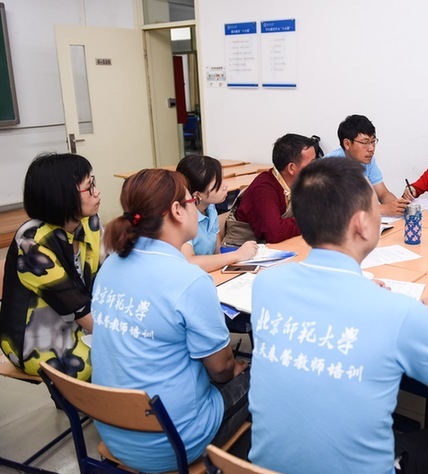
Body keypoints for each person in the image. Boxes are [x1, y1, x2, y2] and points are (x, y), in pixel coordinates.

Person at [249, 158, 428, 474]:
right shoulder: (403, 313)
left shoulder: (266, 284)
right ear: (362, 223)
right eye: (377, 206)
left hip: (263, 469)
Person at [91, 169, 250, 472]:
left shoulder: (110, 265)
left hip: (114, 431)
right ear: (177, 210)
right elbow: (221, 370)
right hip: (174, 443)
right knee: (259, 376)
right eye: (192, 201)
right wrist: (238, 369)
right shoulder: (189, 280)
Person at [0, 153, 100, 380]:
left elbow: (105, 274)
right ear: (62, 195)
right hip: (35, 340)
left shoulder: (90, 222)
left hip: (80, 322)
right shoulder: (31, 241)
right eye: (89, 187)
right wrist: (121, 338)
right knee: (117, 359)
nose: (97, 192)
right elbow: (76, 307)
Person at [223, 133, 316, 245]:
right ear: (291, 168)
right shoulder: (263, 189)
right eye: (312, 163)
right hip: (240, 248)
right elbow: (275, 233)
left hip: (271, 246)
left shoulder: (298, 182)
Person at [176, 154, 258, 272]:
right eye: (218, 183)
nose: (225, 186)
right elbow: (189, 262)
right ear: (197, 195)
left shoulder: (210, 207)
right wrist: (238, 255)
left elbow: (217, 252)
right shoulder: (182, 218)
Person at [324, 114, 409, 216]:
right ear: (347, 144)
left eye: (373, 142)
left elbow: (382, 193)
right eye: (365, 143)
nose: (371, 148)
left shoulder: (367, 160)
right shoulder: (329, 165)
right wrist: (383, 209)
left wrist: (397, 206)